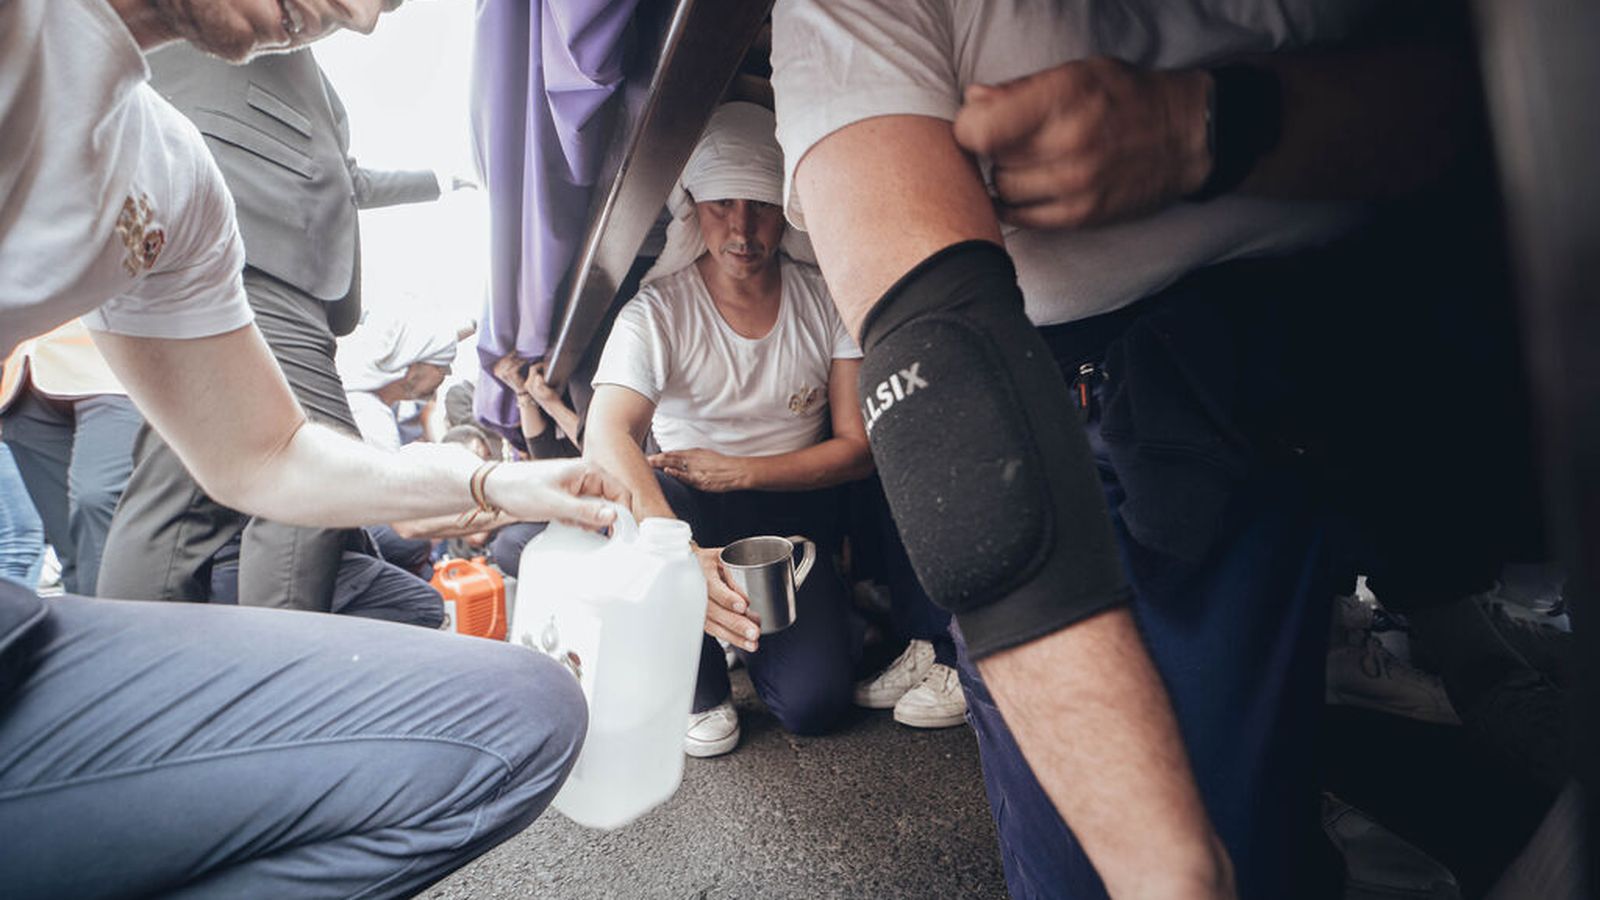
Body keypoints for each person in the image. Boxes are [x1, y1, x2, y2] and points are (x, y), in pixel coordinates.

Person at [771, 1, 1495, 896]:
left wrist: (1208, 127)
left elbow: (1476, 101)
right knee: (1108, 863)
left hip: (1330, 364)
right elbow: (941, 381)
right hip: (1067, 407)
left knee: (1267, 798)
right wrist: (1168, 872)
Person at [0, 1, 629, 895]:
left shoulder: (165, 174)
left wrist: (497, 482)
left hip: (19, 651)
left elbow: (267, 456)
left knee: (525, 712)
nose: (368, 18)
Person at [99, 40, 473, 614]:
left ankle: (144, 675)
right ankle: (273, 666)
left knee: (178, 493)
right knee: (315, 477)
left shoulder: (297, 91)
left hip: (243, 241)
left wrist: (440, 181)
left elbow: (346, 182)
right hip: (253, 237)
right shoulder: (227, 45)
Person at [583, 102, 879, 756]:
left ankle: (749, 631)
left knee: (815, 704)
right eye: (721, 204)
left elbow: (857, 450)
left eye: (761, 205)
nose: (742, 228)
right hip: (690, 514)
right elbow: (606, 434)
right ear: (692, 210)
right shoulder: (658, 310)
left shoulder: (822, 297)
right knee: (642, 496)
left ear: (787, 210)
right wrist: (674, 550)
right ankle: (701, 681)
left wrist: (743, 470)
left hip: (793, 523)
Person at [0, 322, 141, 595]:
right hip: (22, 376)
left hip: (111, 366)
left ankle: (122, 629)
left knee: (98, 499)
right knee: (73, 553)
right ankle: (95, 630)